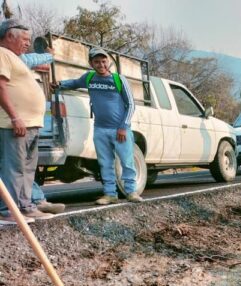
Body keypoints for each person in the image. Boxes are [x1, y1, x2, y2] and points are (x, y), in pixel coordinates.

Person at [54, 47, 142, 205]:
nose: (101, 64)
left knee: (127, 162)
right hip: (100, 129)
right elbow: (74, 83)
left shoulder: (119, 79)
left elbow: (131, 105)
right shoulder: (89, 78)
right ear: (91, 63)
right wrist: (60, 84)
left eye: (104, 61)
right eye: (97, 62)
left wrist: (123, 127)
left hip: (120, 130)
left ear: (108, 62)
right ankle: (110, 194)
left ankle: (131, 192)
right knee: (105, 163)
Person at [0, 19, 53, 225]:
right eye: (24, 39)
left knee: (27, 168)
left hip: (31, 123)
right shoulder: (2, 54)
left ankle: (25, 206)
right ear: (9, 36)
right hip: (16, 123)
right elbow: (1, 87)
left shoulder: (15, 57)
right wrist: (15, 117)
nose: (27, 44)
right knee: (13, 168)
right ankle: (7, 209)